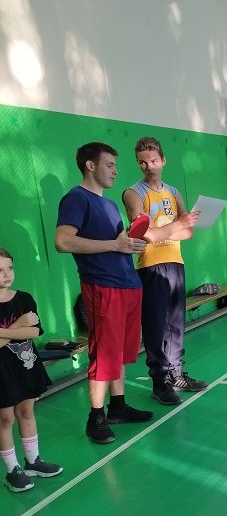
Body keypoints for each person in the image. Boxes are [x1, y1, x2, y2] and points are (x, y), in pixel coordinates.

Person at [55, 142, 154, 444]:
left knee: (120, 351)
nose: (115, 171)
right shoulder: (76, 198)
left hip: (128, 285)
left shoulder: (110, 205)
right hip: (102, 286)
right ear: (90, 165)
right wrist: (114, 244)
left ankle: (118, 407)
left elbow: (119, 244)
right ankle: (95, 417)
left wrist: (132, 244)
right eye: (109, 165)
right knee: (104, 353)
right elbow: (63, 241)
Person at [122, 137, 207, 406]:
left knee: (176, 324)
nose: (149, 166)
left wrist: (162, 231)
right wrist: (174, 227)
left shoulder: (173, 192)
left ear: (163, 160)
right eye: (142, 162)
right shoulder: (133, 193)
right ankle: (159, 382)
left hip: (176, 262)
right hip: (150, 266)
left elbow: (189, 232)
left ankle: (176, 374)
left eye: (154, 160)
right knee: (156, 326)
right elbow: (143, 233)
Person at [0, 248, 63, 492]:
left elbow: (34, 331)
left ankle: (33, 461)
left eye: (9, 268)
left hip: (25, 365)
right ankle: (12, 471)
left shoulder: (24, 298)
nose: (6, 274)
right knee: (5, 418)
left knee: (27, 410)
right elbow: (24, 327)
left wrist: (11, 331)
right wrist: (19, 324)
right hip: (2, 372)